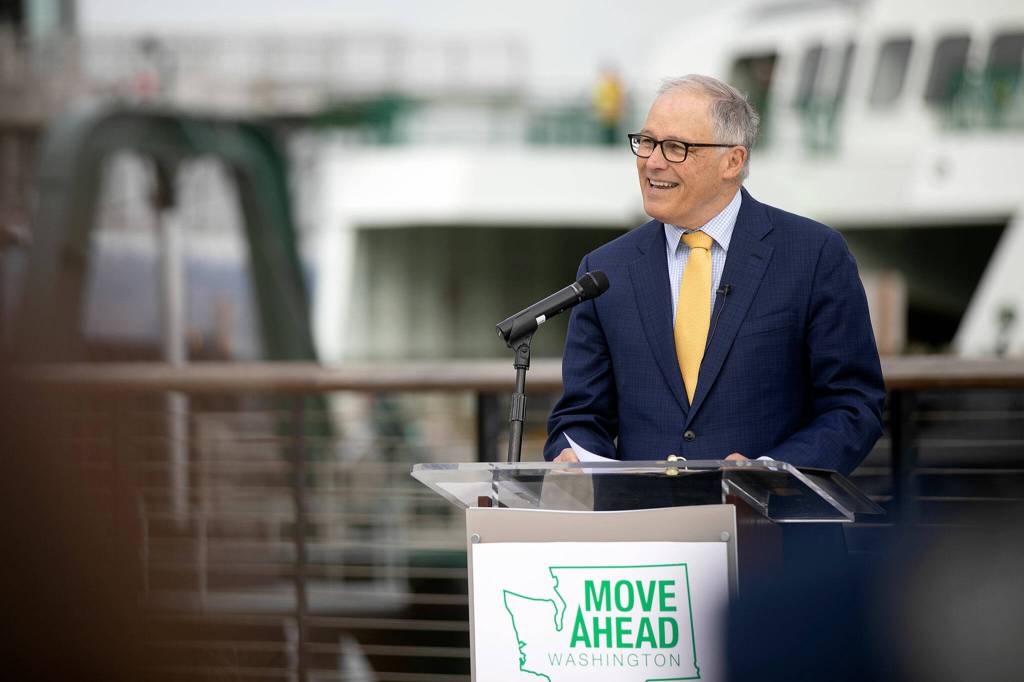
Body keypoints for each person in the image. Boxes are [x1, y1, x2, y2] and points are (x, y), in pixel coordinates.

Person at [544, 74, 885, 475]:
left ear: (733, 161)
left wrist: (771, 472)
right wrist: (574, 454)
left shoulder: (813, 255)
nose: (653, 160)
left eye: (676, 148)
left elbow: (854, 407)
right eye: (648, 142)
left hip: (774, 527)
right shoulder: (605, 271)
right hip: (647, 530)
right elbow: (581, 416)